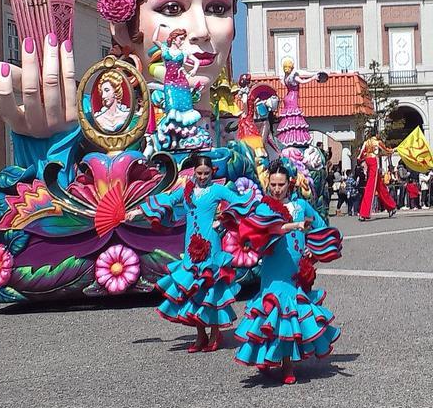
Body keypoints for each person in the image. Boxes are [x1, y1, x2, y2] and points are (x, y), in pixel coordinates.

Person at [232, 159, 342, 384]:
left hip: (295, 269)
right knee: (274, 312)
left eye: (281, 185)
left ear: (289, 184)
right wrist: (296, 226)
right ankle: (276, 359)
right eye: (273, 184)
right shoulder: (264, 207)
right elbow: (269, 229)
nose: (276, 189)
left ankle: (287, 363)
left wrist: (313, 248)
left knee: (291, 313)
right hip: (273, 268)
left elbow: (320, 226)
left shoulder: (301, 206)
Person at [134, 155, 257, 353]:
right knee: (192, 289)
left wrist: (225, 218)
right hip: (191, 245)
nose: (202, 177)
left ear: (212, 172)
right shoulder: (187, 190)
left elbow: (239, 202)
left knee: (211, 287)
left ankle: (215, 333)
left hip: (211, 244)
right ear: (194, 172)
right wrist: (137, 212)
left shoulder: (216, 189)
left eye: (206, 173)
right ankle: (200, 334)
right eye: (199, 173)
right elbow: (167, 200)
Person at [357, 131, 397, 221]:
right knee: (370, 188)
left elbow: (359, 156)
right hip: (374, 163)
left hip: (368, 162)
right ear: (376, 135)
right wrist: (393, 150)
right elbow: (386, 150)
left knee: (380, 187)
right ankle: (364, 213)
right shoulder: (377, 142)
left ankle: (391, 206)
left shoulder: (366, 142)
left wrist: (365, 158)